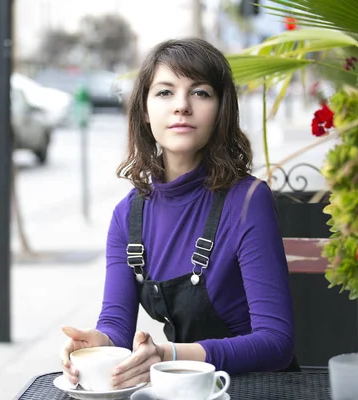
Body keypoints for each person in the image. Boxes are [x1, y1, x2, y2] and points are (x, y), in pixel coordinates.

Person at [59, 38, 299, 390]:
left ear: (220, 109)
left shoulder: (248, 200)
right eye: (165, 93)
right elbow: (116, 327)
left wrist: (170, 355)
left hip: (259, 387)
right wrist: (97, 346)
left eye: (200, 93)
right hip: (186, 389)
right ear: (144, 109)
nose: (182, 107)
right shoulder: (128, 216)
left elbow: (276, 343)